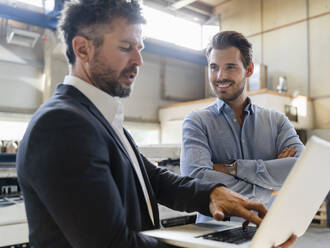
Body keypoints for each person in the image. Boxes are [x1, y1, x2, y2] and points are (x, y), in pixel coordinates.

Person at [16, 1, 296, 248]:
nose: (138, 60)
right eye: (126, 47)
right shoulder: (62, 125)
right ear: (83, 49)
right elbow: (112, 244)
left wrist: (212, 194)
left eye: (140, 48)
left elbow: (156, 180)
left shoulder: (98, 118)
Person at [181, 31, 305, 223]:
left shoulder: (278, 121)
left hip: (267, 234)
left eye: (230, 67)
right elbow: (196, 179)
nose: (220, 76)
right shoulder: (197, 122)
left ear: (248, 69)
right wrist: (270, 188)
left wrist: (232, 168)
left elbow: (302, 169)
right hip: (215, 238)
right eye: (214, 67)